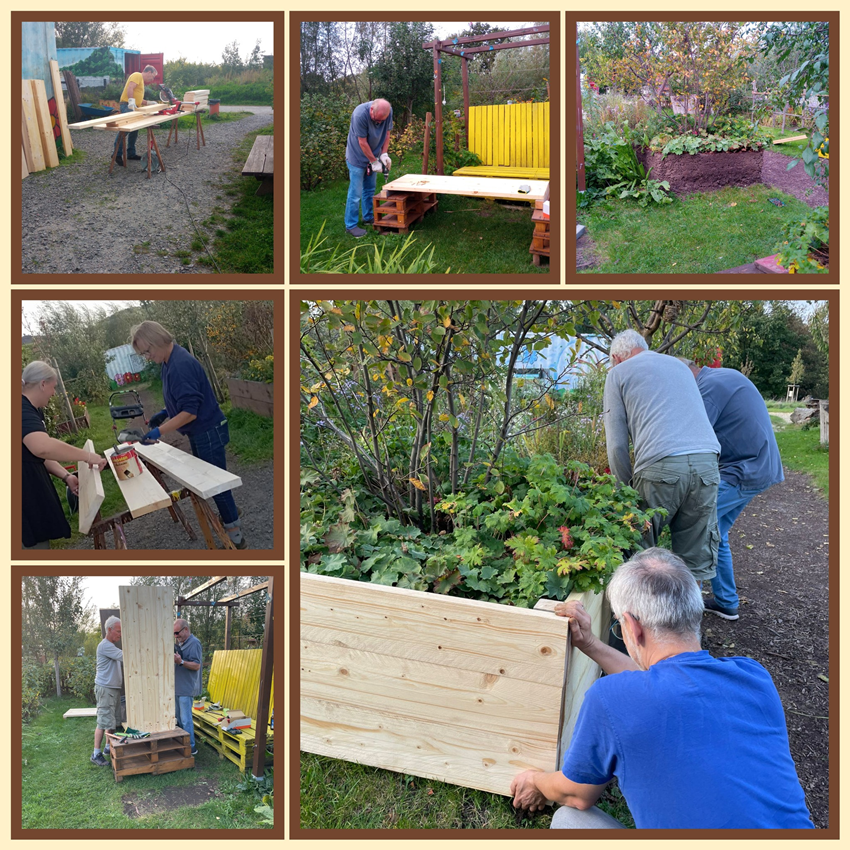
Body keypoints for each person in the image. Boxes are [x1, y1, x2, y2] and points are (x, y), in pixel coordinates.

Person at [509, 548, 814, 829]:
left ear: (632, 626)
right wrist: (590, 644)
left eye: (618, 625)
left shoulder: (610, 699)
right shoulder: (753, 677)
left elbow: (576, 795)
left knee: (569, 820)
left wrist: (536, 781)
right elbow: (664, 683)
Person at [603, 329, 721, 582]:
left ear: (616, 357)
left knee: (639, 559)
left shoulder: (618, 373)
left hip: (661, 464)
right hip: (707, 463)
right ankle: (686, 619)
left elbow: (616, 446)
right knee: (692, 564)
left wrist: (626, 493)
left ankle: (638, 620)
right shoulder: (680, 366)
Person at [679, 359, 785, 620]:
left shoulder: (706, 389)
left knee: (696, 525)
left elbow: (692, 439)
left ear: (683, 375)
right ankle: (727, 602)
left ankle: (686, 611)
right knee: (717, 532)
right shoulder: (720, 376)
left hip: (744, 469)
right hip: (758, 466)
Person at [130, 320, 246, 548]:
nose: (147, 356)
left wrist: (157, 431)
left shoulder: (180, 365)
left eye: (147, 350)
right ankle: (231, 512)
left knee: (216, 484)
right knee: (214, 480)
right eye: (143, 353)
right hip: (203, 430)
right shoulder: (168, 361)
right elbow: (185, 399)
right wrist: (164, 413)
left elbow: (190, 412)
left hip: (208, 430)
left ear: (158, 341)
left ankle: (235, 535)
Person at [22, 361, 108, 549]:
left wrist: (67, 476)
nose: (54, 393)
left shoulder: (34, 409)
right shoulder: (20, 409)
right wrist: (87, 456)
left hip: (32, 489)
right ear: (43, 384)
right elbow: (42, 447)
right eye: (53, 387)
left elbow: (39, 454)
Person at [344, 98, 393, 237]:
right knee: (355, 194)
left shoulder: (387, 112)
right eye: (376, 120)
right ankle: (351, 225)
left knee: (370, 189)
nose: (379, 123)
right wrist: (374, 161)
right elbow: (362, 142)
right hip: (357, 158)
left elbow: (387, 134)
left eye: (381, 121)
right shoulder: (360, 114)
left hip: (374, 156)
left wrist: (384, 153)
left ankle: (368, 217)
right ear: (371, 110)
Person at [92, 616, 123, 766]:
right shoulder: (105, 646)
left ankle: (106, 748)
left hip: (112, 689)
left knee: (111, 721)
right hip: (105, 689)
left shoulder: (111, 646)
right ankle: (96, 753)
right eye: (118, 631)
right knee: (103, 721)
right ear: (109, 630)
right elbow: (126, 657)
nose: (120, 635)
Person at [112, 65, 158, 165]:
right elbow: (130, 87)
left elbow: (139, 99)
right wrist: (131, 101)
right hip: (127, 106)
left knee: (134, 130)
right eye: (152, 76)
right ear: (149, 72)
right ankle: (117, 154)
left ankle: (131, 153)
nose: (152, 79)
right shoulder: (137, 75)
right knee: (125, 130)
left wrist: (148, 103)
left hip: (133, 106)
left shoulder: (140, 81)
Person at [173, 618, 202, 756]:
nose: (176, 636)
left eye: (177, 633)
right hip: (177, 688)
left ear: (186, 629)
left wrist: (181, 662)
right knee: (179, 718)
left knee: (186, 719)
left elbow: (196, 666)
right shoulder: (179, 643)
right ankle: (182, 743)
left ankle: (191, 747)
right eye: (174, 633)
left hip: (186, 689)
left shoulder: (194, 643)